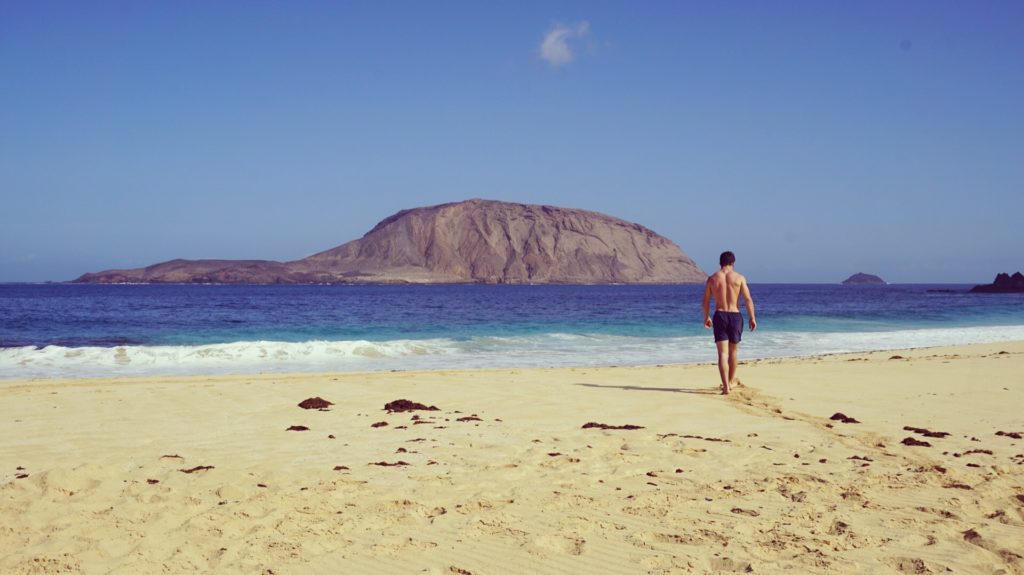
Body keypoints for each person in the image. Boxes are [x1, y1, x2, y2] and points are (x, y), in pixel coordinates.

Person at [702, 251, 756, 395]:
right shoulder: (739, 278)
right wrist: (752, 317)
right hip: (735, 316)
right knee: (733, 352)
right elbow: (748, 299)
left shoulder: (712, 278)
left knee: (722, 354)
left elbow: (706, 300)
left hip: (720, 315)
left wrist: (706, 317)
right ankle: (731, 382)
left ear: (720, 263)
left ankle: (726, 387)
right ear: (733, 263)